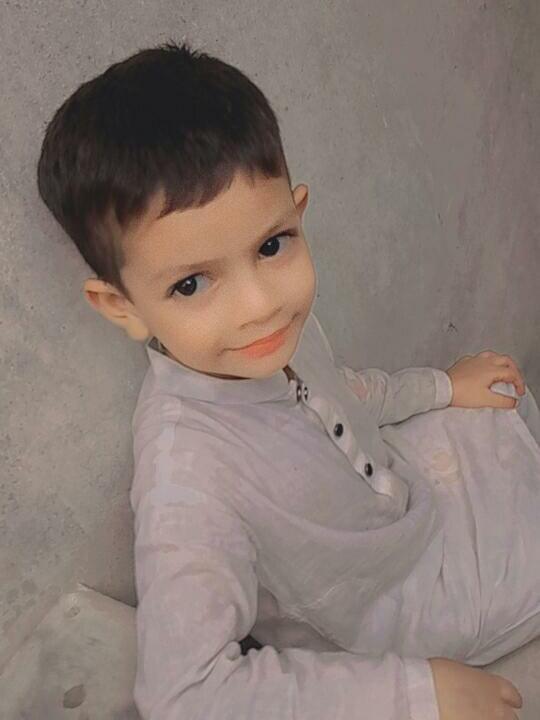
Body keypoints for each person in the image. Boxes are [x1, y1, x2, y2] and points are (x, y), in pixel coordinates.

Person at [35, 39, 540, 720]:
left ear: (297, 214)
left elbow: (348, 393)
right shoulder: (187, 476)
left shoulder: (266, 338)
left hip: (404, 503)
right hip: (393, 619)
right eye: (192, 284)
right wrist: (418, 693)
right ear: (121, 306)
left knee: (504, 402)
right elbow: (185, 695)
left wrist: (443, 386)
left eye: (271, 246)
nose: (260, 304)